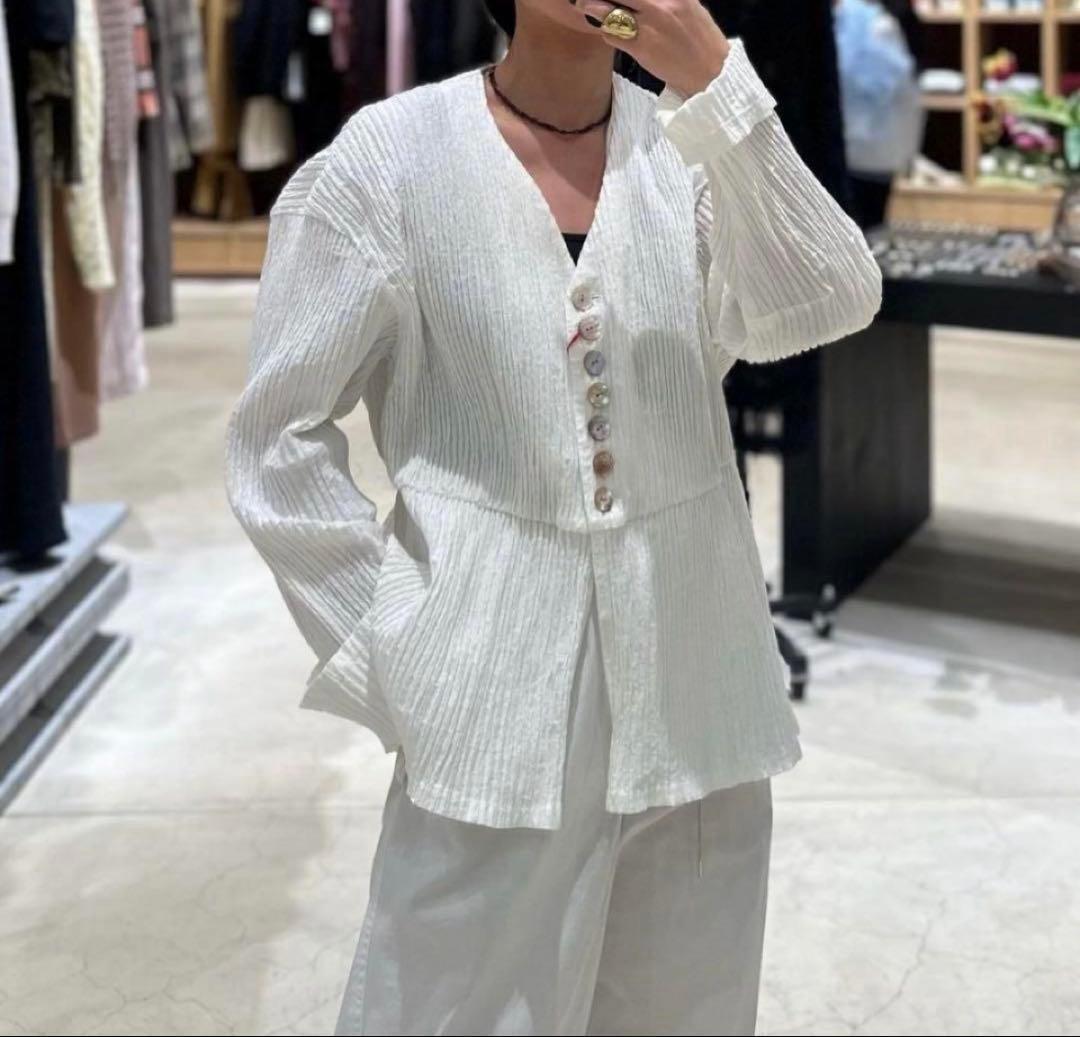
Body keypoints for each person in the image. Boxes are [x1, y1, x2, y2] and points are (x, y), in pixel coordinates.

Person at [223, 2, 883, 1033]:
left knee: (686, 1005)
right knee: (453, 1004)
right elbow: (276, 439)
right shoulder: (390, 161)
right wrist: (389, 647)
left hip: (698, 680)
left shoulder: (689, 147)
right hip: (490, 695)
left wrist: (719, 86)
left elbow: (832, 294)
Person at [832, 0, 924, 230]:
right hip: (875, 148)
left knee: (856, 223)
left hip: (862, 146)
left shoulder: (867, 23)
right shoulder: (874, 21)